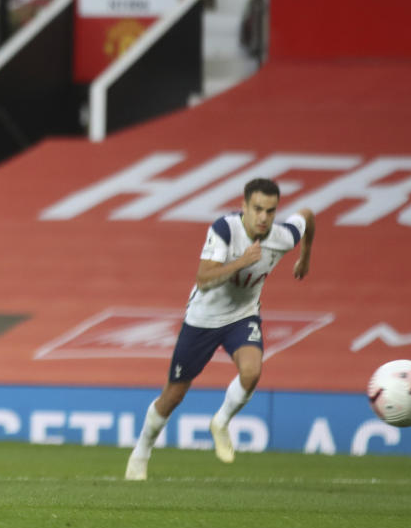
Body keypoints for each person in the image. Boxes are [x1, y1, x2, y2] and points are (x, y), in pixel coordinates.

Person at [125, 178, 315, 479]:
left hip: (242, 317)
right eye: (257, 209)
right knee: (173, 395)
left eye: (270, 210)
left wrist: (304, 256)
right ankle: (142, 450)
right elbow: (204, 278)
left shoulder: (283, 236)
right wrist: (241, 262)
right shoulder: (225, 230)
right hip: (202, 320)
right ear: (244, 207)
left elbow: (306, 215)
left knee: (252, 371)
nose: (264, 217)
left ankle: (221, 421)